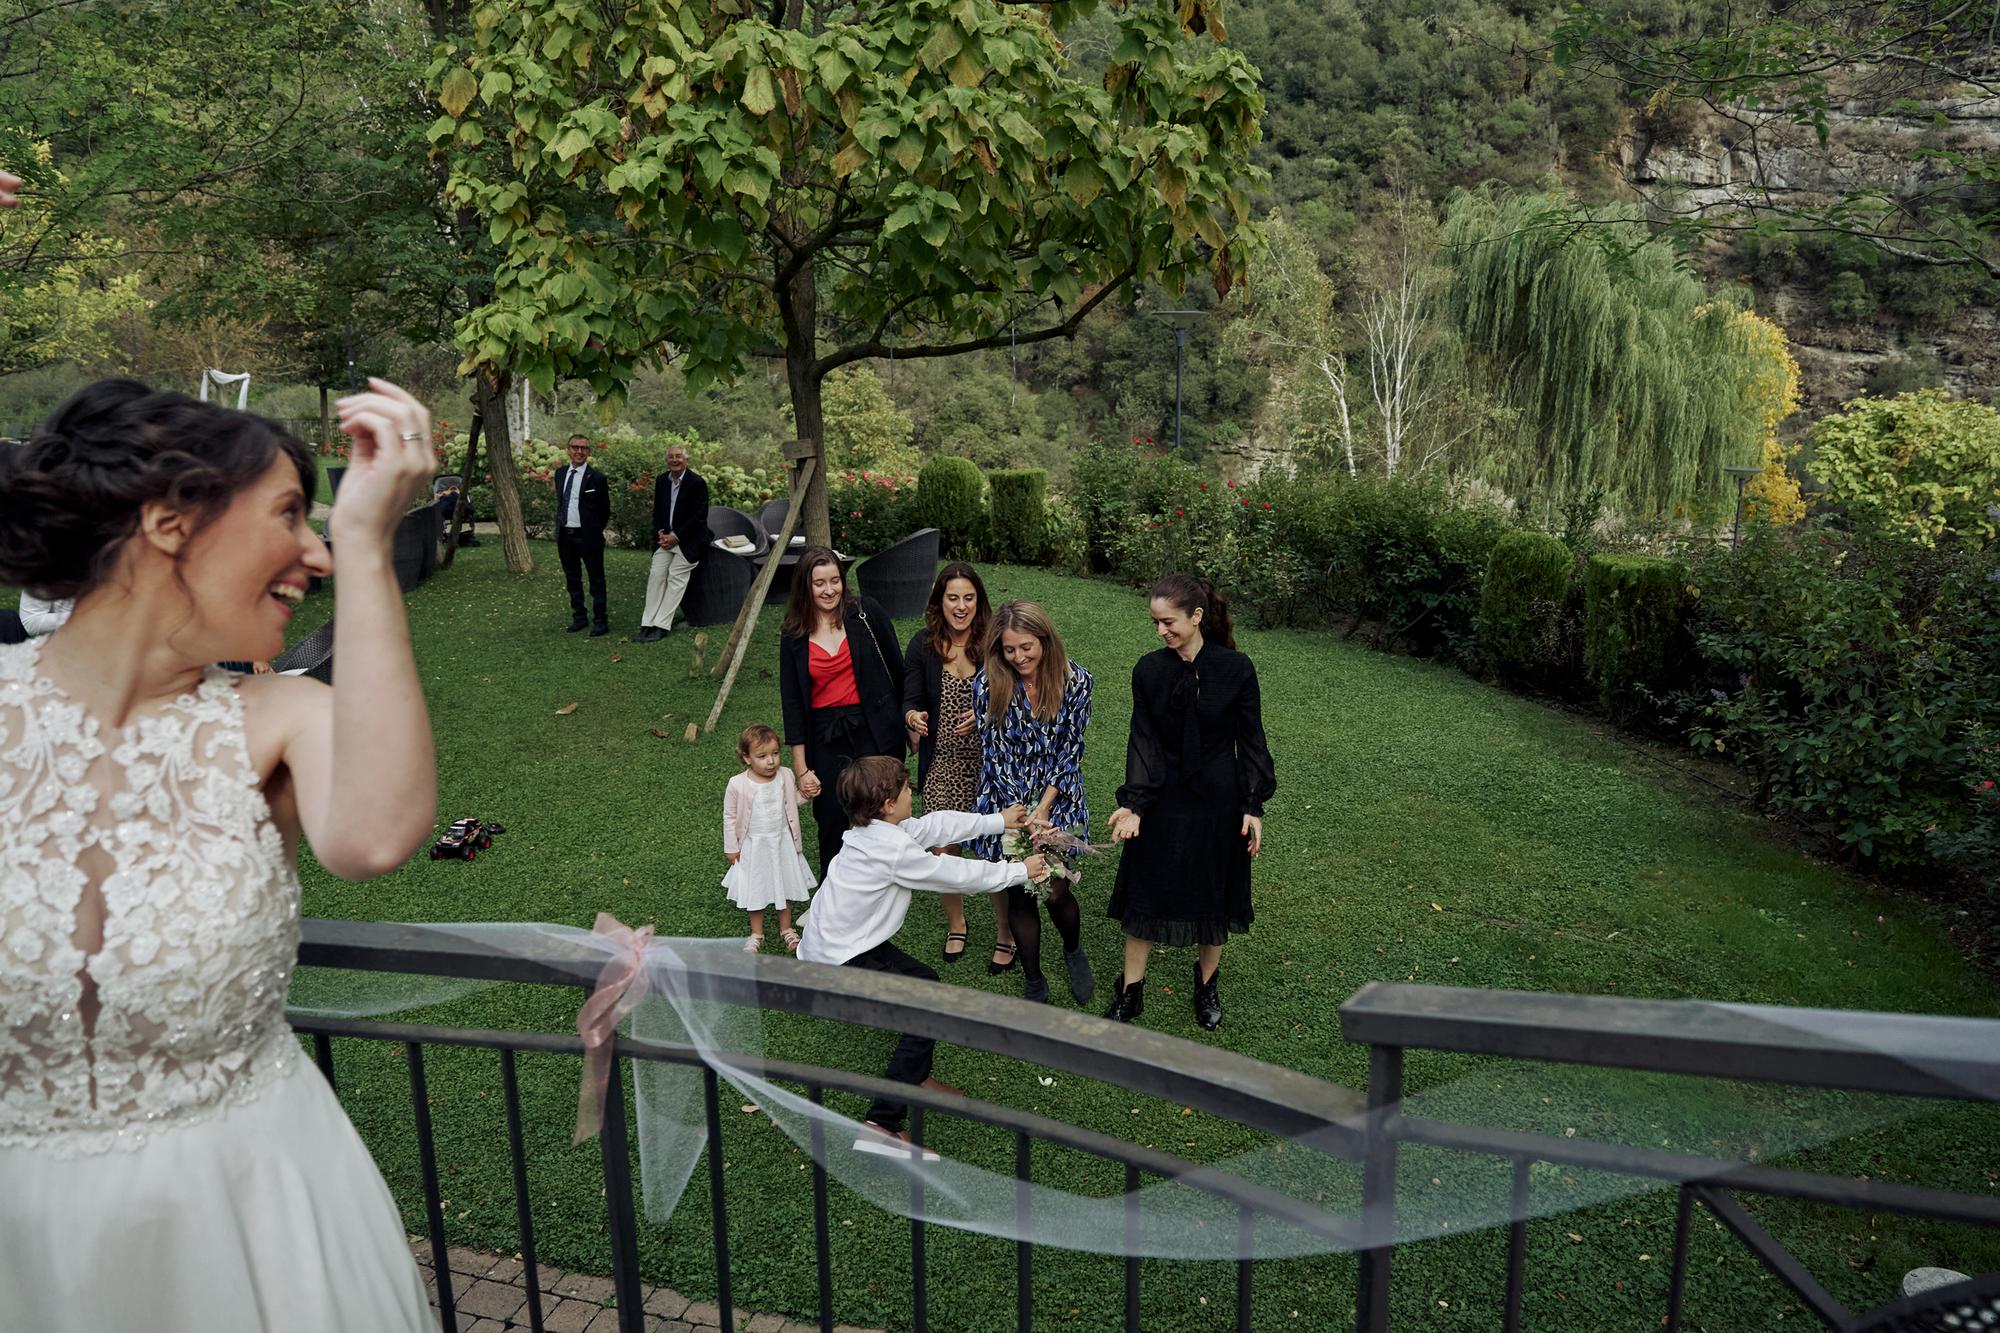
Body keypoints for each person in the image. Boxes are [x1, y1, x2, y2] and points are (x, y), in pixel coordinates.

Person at [0, 375, 441, 1331]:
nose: (314, 552)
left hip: (255, 1230)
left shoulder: (281, 717)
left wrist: (369, 542)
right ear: (169, 522)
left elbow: (373, 834)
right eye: (288, 513)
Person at [797, 756, 1043, 1155]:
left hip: (844, 943)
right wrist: (1019, 871)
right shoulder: (891, 850)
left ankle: (916, 1077)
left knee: (926, 984)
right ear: (887, 804)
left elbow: (937, 825)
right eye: (906, 790)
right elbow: (955, 874)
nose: (912, 793)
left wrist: (998, 821)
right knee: (925, 1006)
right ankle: (881, 1124)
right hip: (839, 959)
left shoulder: (876, 830)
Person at [1102, 574, 1275, 1030]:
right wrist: (1136, 803)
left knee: (1212, 891)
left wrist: (1252, 805)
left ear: (1196, 616)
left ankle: (1206, 985)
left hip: (1219, 798)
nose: (1161, 631)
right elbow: (1143, 740)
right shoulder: (1148, 670)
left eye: (1168, 622)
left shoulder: (1237, 669)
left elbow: (1250, 740)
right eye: (1155, 623)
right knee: (1146, 887)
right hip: (1163, 794)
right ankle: (1131, 990)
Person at [968, 601, 1095, 1007]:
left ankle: (1073, 950)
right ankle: (1034, 978)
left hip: (1058, 796)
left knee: (1057, 890)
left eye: (1026, 647)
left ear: (1045, 640)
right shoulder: (987, 684)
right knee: (1020, 892)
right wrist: (1021, 816)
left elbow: (1071, 751)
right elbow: (994, 754)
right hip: (1008, 799)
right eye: (1009, 650)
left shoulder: (1077, 681)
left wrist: (1044, 809)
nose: (1018, 657)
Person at [902, 561, 1016, 969]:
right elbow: (910, 696)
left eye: (969, 598)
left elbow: (1015, 696)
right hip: (943, 761)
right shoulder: (923, 644)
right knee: (942, 847)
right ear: (940, 601)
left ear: (979, 602)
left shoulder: (994, 643)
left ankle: (1005, 931)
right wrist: (912, 716)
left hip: (989, 765)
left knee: (992, 851)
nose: (961, 606)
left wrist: (984, 716)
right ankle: (957, 923)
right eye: (953, 598)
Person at [778, 547, 906, 874]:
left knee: (880, 813)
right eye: (819, 583)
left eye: (835, 580)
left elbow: (897, 668)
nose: (829, 590)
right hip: (825, 735)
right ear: (806, 586)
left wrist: (908, 719)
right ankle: (831, 890)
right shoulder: (794, 634)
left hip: (872, 728)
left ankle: (883, 883)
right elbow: (792, 702)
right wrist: (801, 767)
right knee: (831, 817)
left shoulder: (865, 613)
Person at [723, 723, 815, 953]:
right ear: (747, 758)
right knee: (757, 886)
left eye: (775, 753)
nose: (771, 761)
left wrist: (806, 794)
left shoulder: (785, 775)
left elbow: (791, 803)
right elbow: (730, 816)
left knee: (785, 883)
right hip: (755, 844)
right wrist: (731, 847)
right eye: (762, 756)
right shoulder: (737, 784)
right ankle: (757, 933)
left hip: (782, 842)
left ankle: (786, 928)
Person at [634, 442, 709, 642]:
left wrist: (676, 537)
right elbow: (658, 512)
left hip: (689, 541)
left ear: (686, 460)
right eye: (671, 457)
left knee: (676, 578)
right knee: (656, 575)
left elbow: (699, 517)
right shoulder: (662, 481)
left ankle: (661, 625)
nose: (674, 460)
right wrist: (661, 534)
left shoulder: (697, 483)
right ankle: (647, 623)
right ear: (667, 460)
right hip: (665, 540)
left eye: (678, 456)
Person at [555, 431, 611, 635]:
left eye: (584, 448)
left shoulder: (597, 478)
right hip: (565, 536)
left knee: (596, 580)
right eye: (575, 447)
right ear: (568, 450)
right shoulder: (560, 474)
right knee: (572, 579)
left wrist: (593, 530)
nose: (579, 451)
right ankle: (579, 617)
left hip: (588, 537)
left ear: (589, 452)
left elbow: (604, 510)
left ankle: (600, 621)